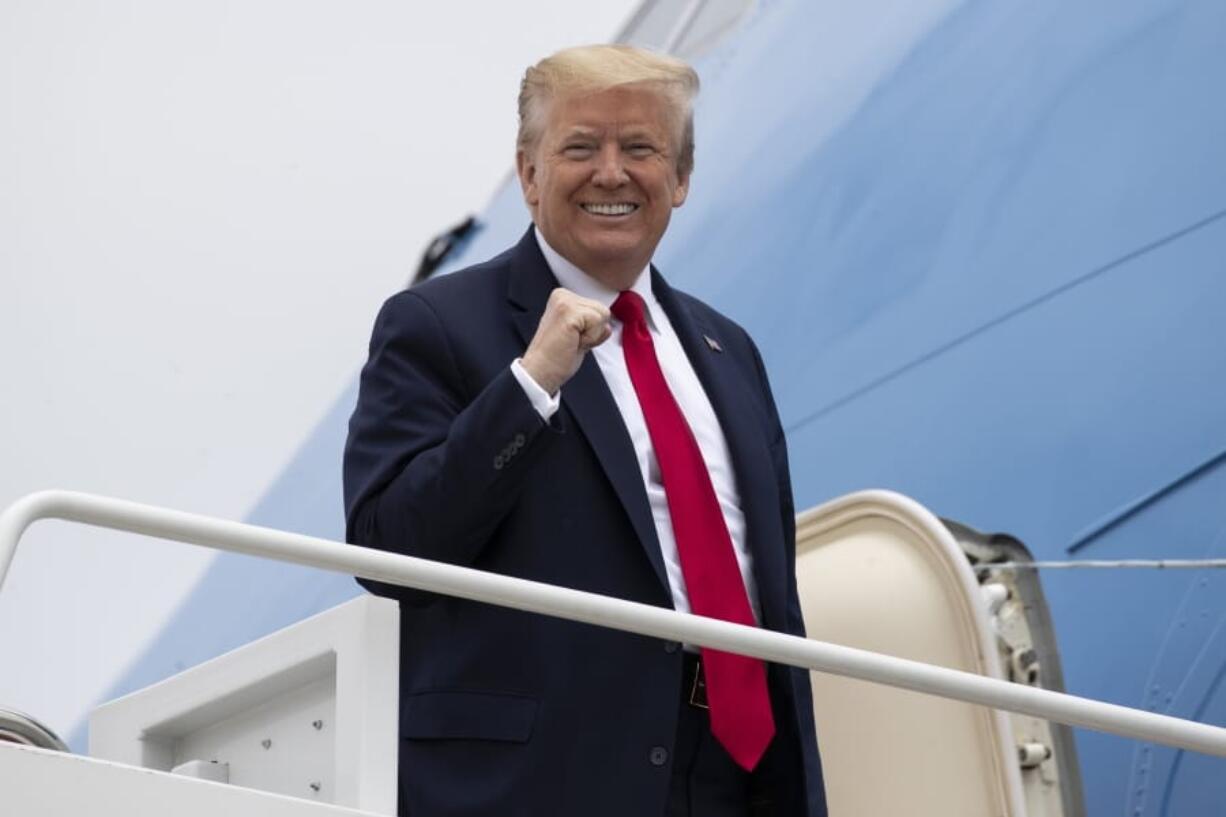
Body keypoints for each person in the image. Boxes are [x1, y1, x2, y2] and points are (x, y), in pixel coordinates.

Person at [343, 44, 827, 817]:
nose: (611, 173)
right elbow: (387, 547)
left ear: (680, 178)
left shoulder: (729, 352)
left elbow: (767, 588)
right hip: (546, 779)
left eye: (640, 148)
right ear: (529, 174)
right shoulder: (435, 325)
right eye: (580, 147)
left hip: (736, 777)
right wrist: (531, 383)